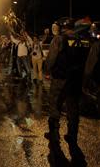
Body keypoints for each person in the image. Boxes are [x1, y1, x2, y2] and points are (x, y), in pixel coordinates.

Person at [44, 17, 86, 165]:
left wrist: (47, 70)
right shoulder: (82, 40)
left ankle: (54, 135)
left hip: (60, 78)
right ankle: (72, 136)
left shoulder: (59, 39)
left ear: (62, 27)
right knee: (73, 109)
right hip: (75, 80)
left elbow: (51, 57)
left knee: (54, 104)